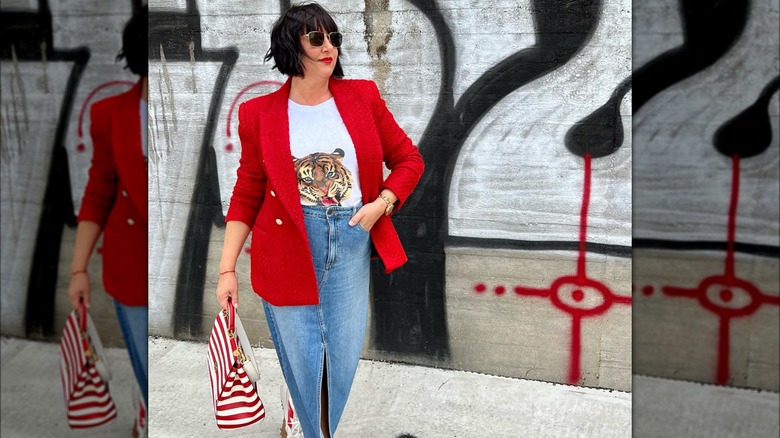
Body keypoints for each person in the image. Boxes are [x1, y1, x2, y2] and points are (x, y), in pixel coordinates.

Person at [215, 3, 424, 437]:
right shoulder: (259, 115)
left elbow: (408, 160)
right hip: (289, 245)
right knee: (305, 357)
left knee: (341, 357)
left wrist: (382, 202)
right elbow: (247, 193)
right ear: (292, 47)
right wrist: (226, 268)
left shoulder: (362, 96)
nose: (328, 47)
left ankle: (308, 418)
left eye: (334, 38)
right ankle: (313, 429)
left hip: (350, 238)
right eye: (316, 38)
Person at [67, 5, 148, 437]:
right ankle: (146, 409)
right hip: (129, 263)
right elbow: (98, 193)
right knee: (145, 364)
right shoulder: (110, 114)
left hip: (174, 263)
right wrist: (79, 269)